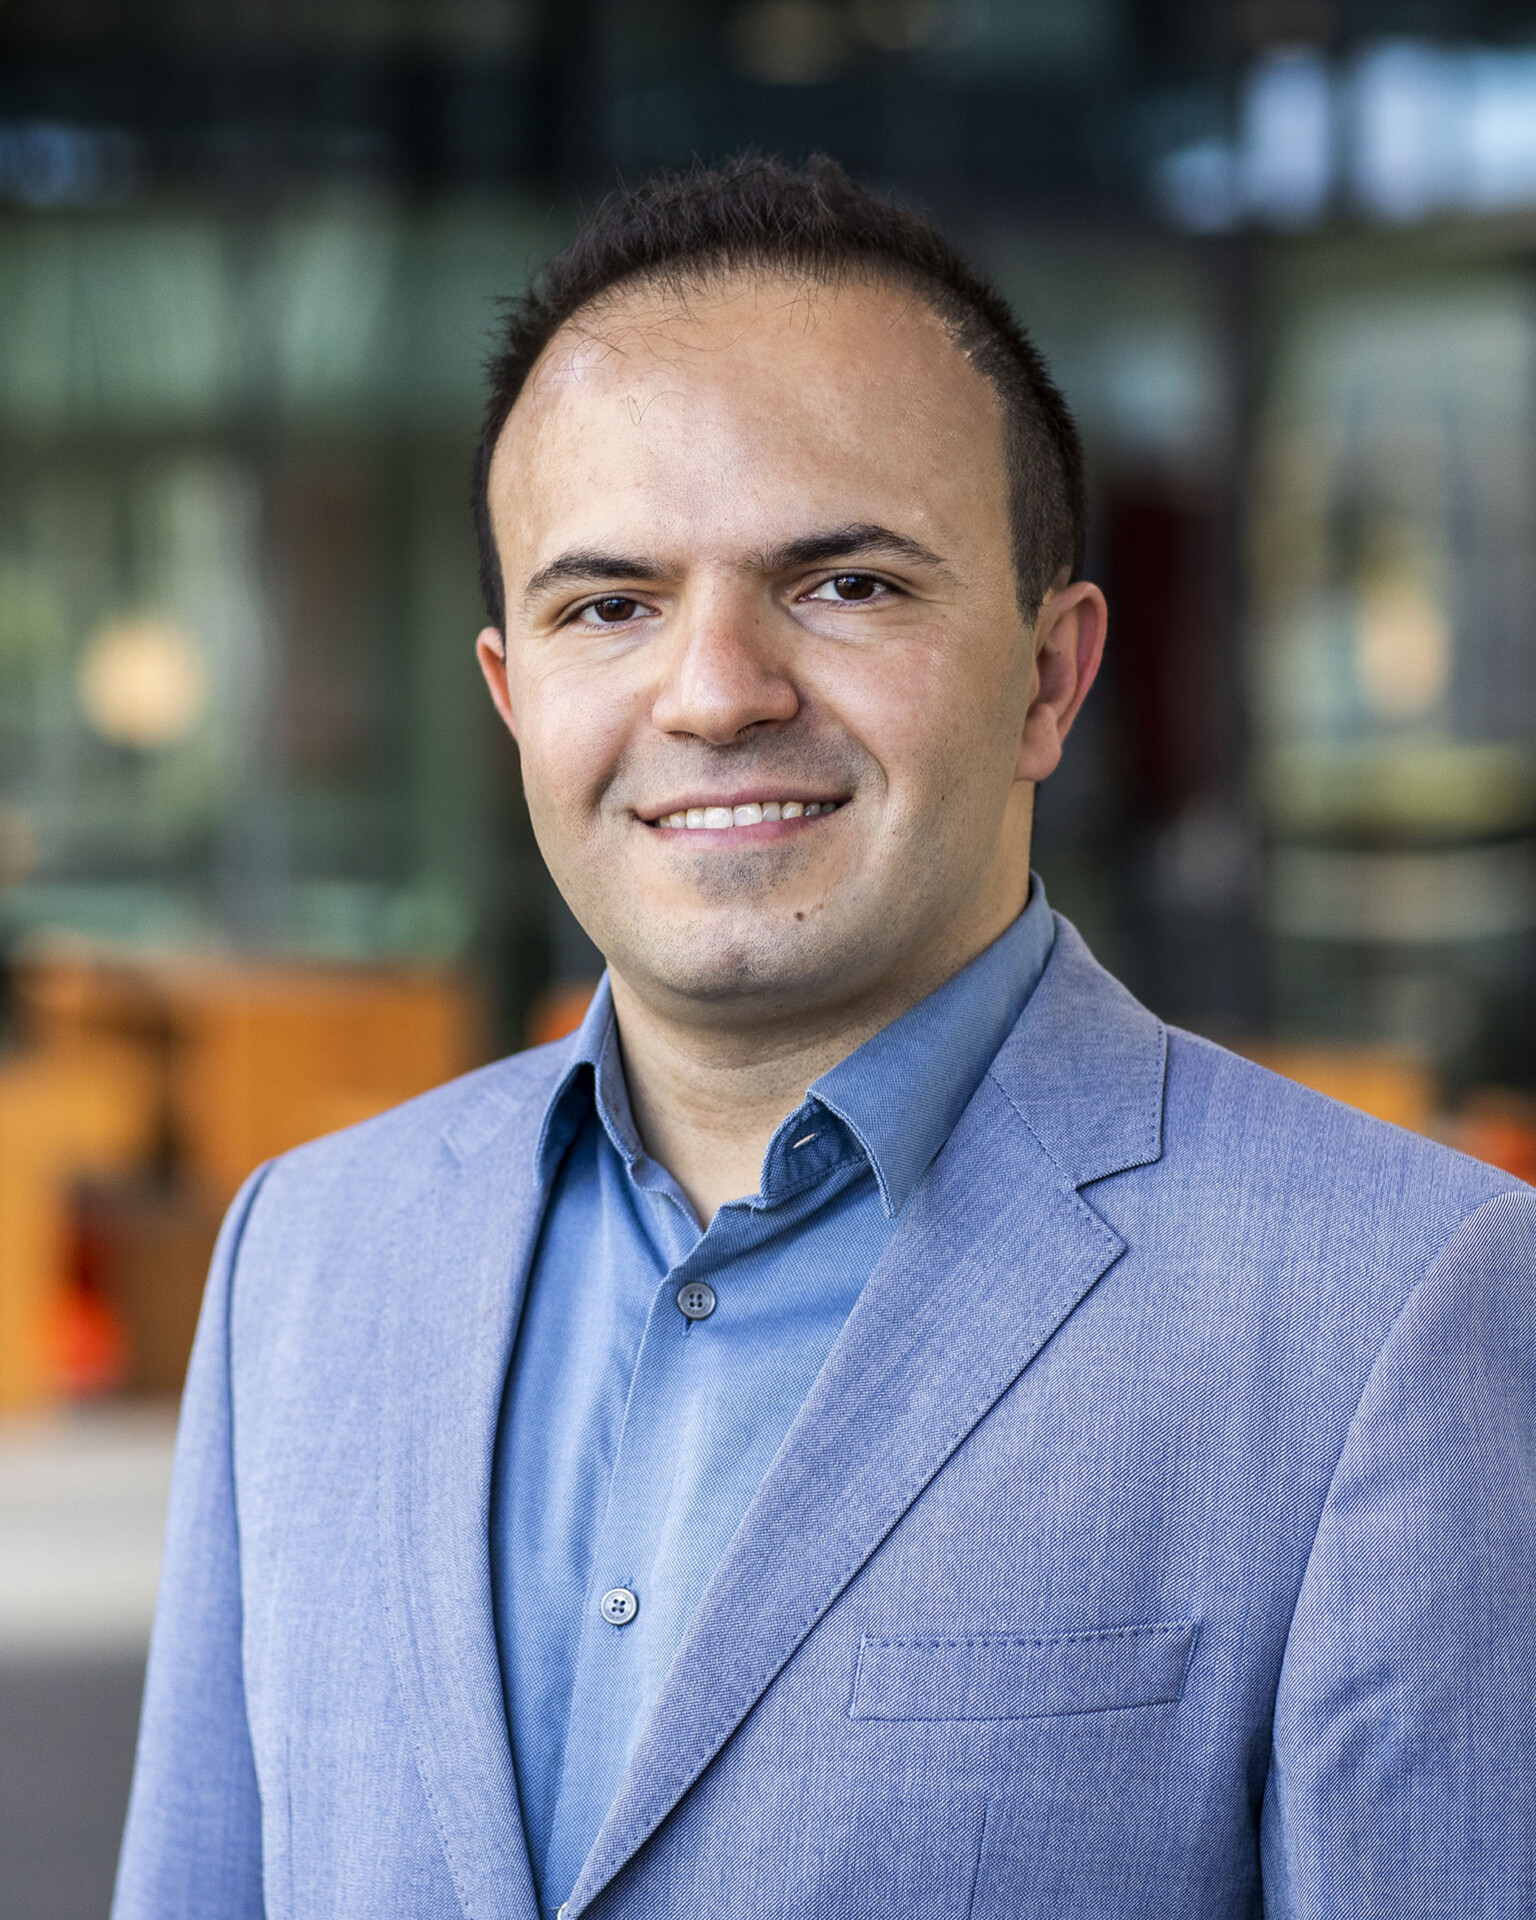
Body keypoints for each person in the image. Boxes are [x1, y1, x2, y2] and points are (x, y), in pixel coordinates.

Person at [113, 156, 1535, 1920]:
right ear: (510, 695)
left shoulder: (1402, 1306)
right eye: (608, 605)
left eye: (846, 585)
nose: (716, 692)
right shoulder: (308, 1258)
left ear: (1050, 675)